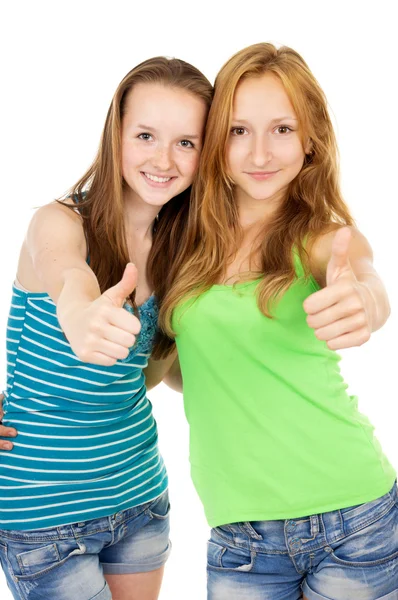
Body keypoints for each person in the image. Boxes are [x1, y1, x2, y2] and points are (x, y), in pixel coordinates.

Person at [155, 43, 397, 599]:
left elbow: (366, 279)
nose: (260, 152)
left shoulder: (324, 238)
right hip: (240, 539)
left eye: (282, 129)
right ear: (217, 141)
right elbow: (179, 372)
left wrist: (364, 300)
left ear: (310, 140)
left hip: (354, 520)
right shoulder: (185, 246)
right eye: (239, 130)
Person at [0, 56, 212, 600]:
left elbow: (163, 374)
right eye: (145, 135)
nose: (163, 159)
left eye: (186, 143)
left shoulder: (179, 253)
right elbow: (66, 273)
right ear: (114, 135)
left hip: (139, 496)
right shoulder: (58, 222)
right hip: (45, 517)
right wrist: (80, 313)